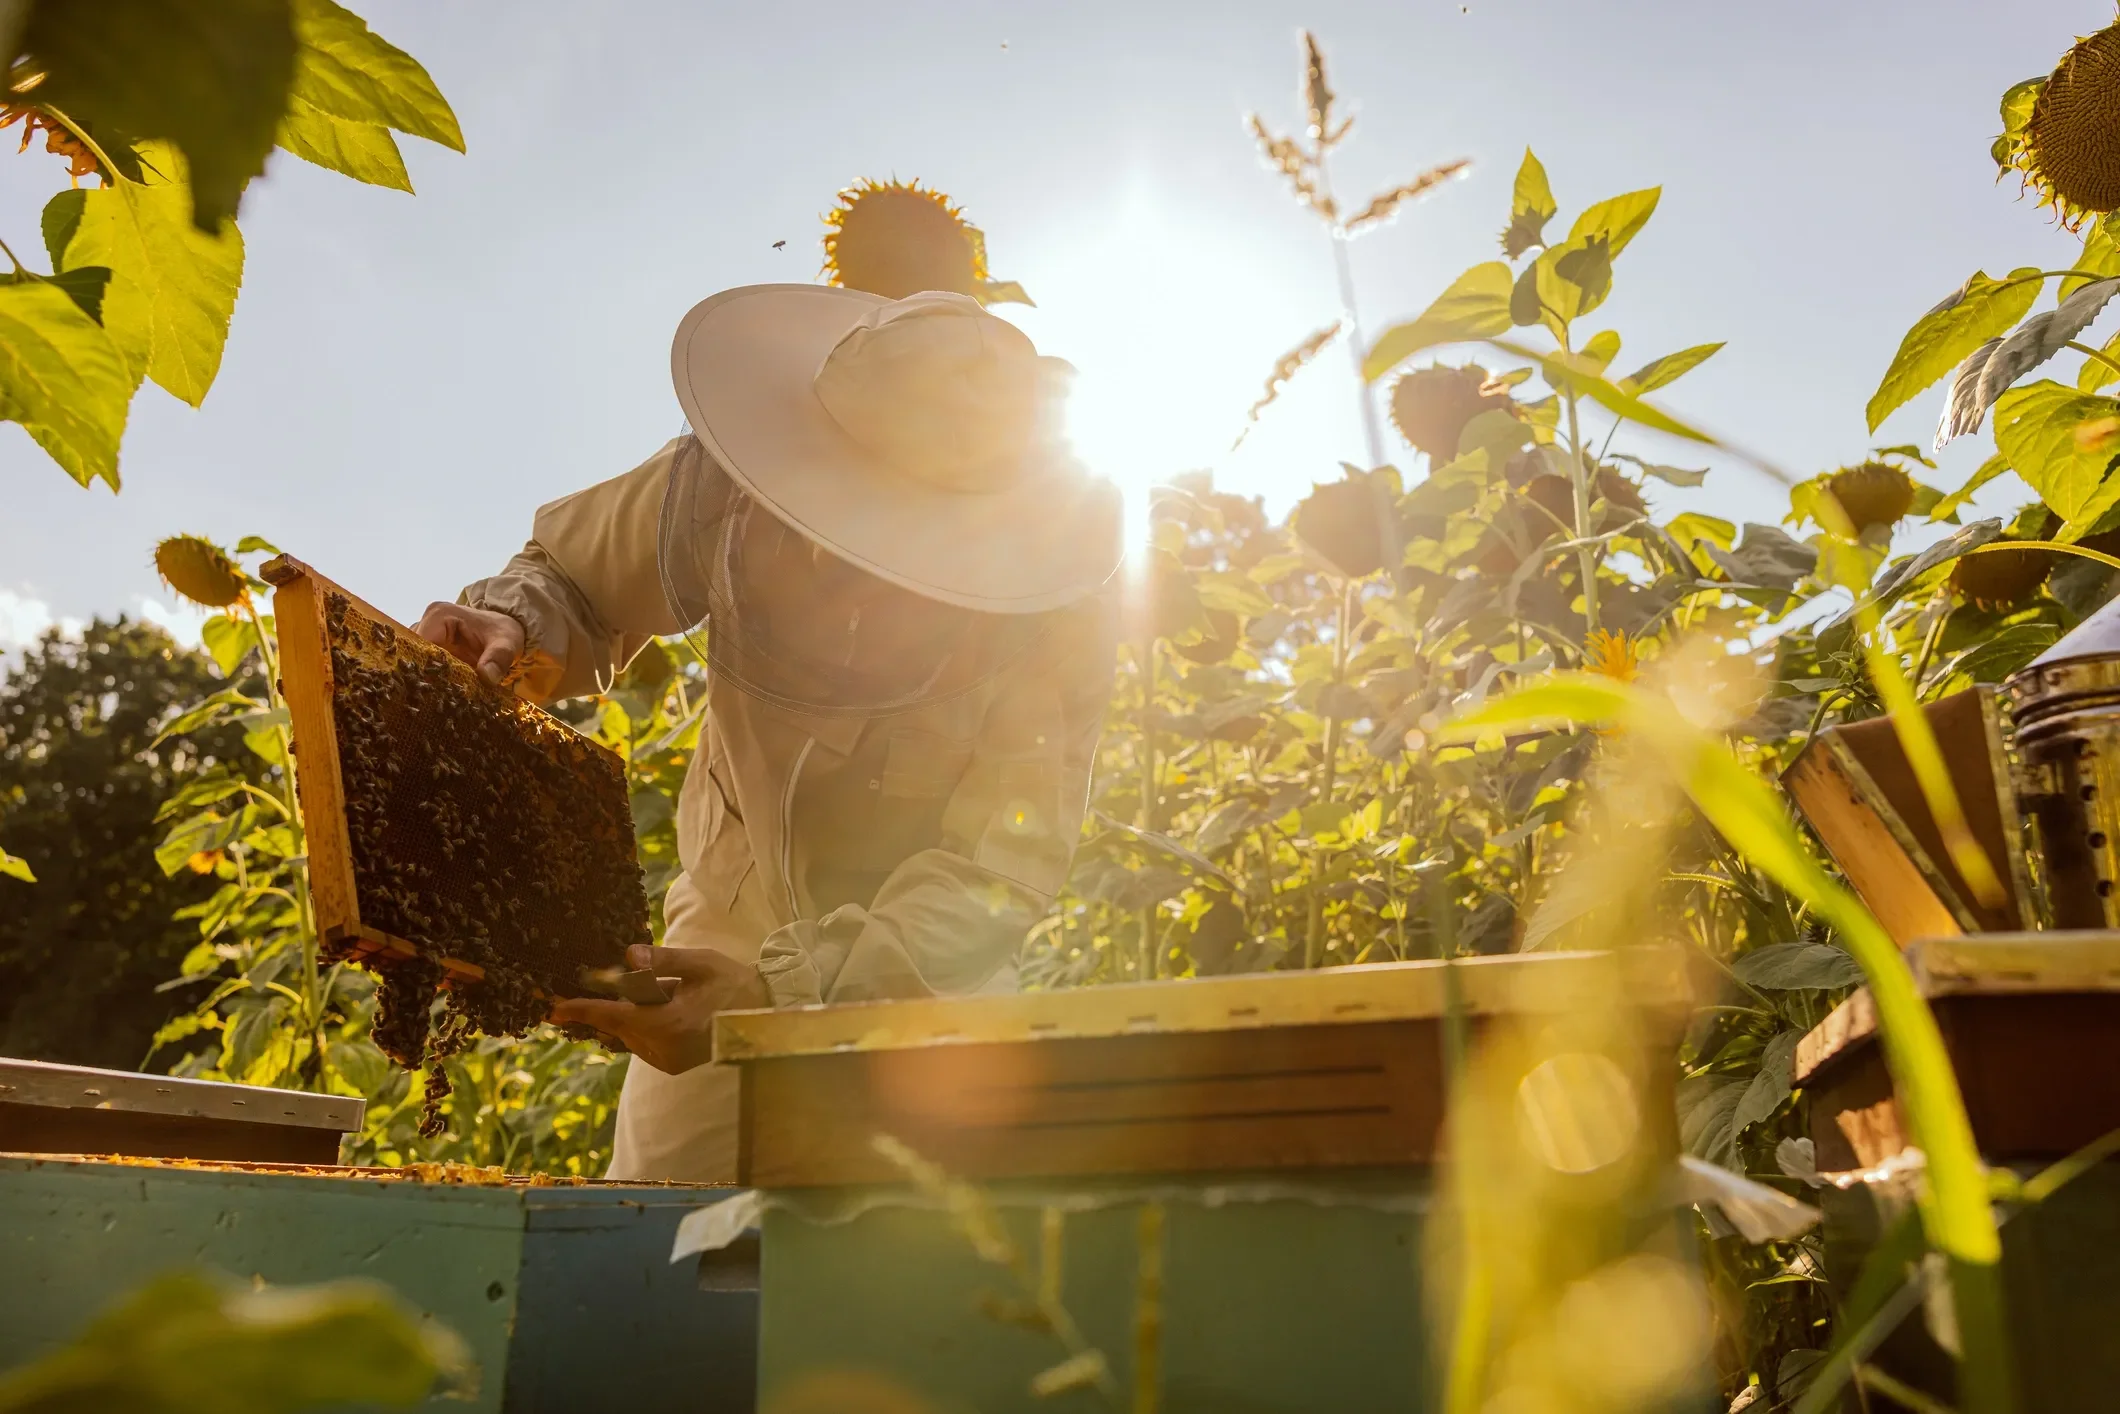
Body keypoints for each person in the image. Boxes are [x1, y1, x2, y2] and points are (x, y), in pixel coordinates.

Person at [414, 285, 1122, 1182]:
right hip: (722, 924)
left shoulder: (1053, 618)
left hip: (927, 978)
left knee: (940, 1275)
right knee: (651, 1247)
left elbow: (992, 875)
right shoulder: (714, 486)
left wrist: (787, 994)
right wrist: (516, 624)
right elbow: (574, 574)